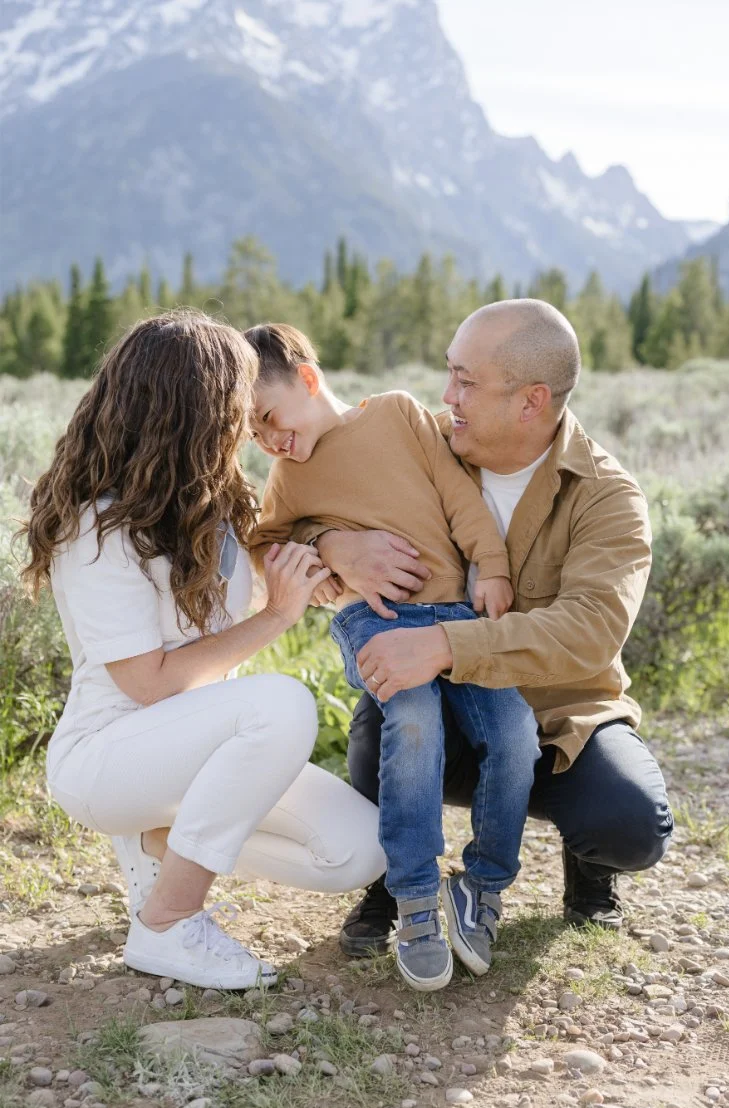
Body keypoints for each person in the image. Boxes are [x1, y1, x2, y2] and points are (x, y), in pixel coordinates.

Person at [19, 312, 386, 991]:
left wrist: (327, 560)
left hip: (201, 749)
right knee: (281, 704)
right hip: (109, 755)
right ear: (194, 411)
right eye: (237, 405)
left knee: (361, 851)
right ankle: (168, 921)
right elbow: (148, 683)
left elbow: (271, 561)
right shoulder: (96, 529)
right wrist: (277, 617)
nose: (249, 423)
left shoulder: (209, 503)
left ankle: (162, 840)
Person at [297, 300, 673, 956]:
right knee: (381, 733)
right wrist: (333, 545)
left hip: (562, 719)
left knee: (630, 823)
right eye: (449, 375)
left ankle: (588, 872)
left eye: (466, 382)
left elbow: (589, 632)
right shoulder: (414, 445)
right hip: (443, 707)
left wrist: (444, 643)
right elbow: (299, 501)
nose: (447, 396)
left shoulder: (609, 497)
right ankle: (393, 883)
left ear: (531, 401)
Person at [245, 322, 540, 991]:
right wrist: (324, 548)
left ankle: (484, 886)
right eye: (252, 434)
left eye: (269, 417)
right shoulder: (287, 479)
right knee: (412, 725)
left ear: (309, 378)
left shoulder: (401, 415)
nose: (268, 440)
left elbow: (459, 494)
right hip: (373, 622)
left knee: (516, 733)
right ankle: (412, 900)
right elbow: (264, 544)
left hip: (457, 619)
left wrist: (490, 563)